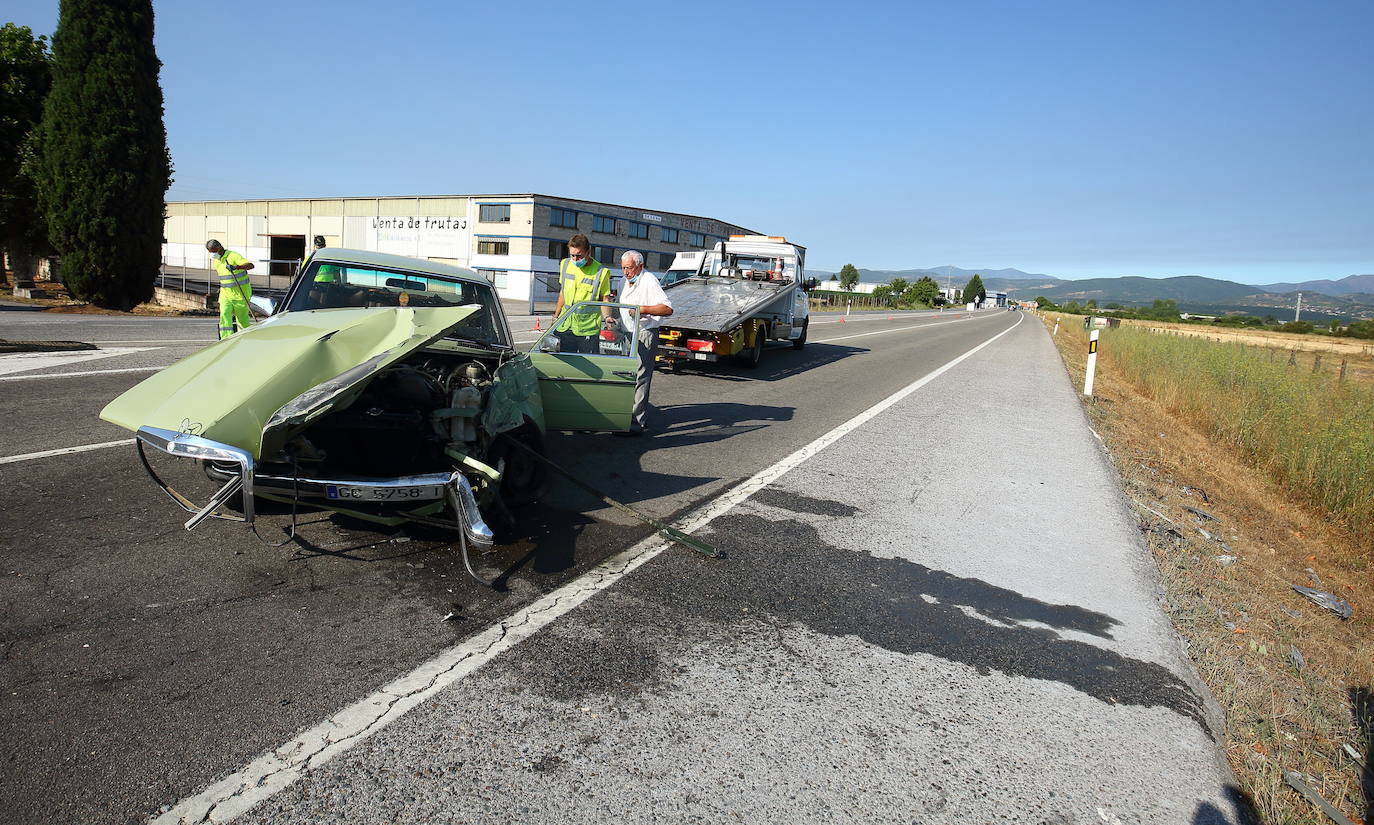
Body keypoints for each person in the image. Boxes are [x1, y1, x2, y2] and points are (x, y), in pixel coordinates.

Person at [616, 250, 673, 436]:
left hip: (645, 332)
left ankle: (636, 422)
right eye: (623, 267)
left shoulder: (649, 280)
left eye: (629, 268)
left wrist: (644, 309)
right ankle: (622, 416)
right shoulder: (623, 281)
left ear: (640, 266)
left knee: (640, 377)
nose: (626, 272)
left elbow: (667, 308)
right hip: (626, 333)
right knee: (625, 375)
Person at [552, 234, 612, 353]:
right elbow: (562, 293)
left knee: (588, 369)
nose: (575, 259)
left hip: (588, 329)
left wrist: (607, 318)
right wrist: (555, 317)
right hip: (565, 325)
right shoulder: (565, 264)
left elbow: (605, 299)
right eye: (572, 255)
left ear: (588, 252)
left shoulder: (601, 272)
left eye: (579, 256)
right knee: (564, 366)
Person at [206, 239, 254, 339]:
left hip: (240, 295)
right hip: (225, 295)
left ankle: (244, 338)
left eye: (213, 252)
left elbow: (250, 265)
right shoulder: (217, 261)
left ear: (219, 248)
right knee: (224, 315)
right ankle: (226, 339)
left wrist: (237, 267)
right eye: (211, 253)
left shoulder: (233, 256)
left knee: (242, 319)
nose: (213, 255)